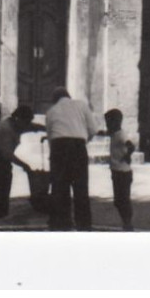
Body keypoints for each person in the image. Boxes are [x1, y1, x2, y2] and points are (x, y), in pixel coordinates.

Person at [44, 87, 101, 230]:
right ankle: (84, 225)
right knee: (81, 188)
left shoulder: (51, 111)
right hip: (78, 147)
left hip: (59, 147)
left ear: (54, 100)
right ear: (69, 96)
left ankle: (62, 224)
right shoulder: (82, 105)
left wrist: (54, 157)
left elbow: (51, 138)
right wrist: (83, 142)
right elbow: (94, 129)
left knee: (59, 188)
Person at [104, 108, 136, 231]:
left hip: (123, 172)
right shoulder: (114, 134)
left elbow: (130, 145)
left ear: (116, 122)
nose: (107, 125)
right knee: (118, 200)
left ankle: (127, 222)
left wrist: (127, 156)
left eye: (108, 122)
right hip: (117, 171)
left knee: (123, 199)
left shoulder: (121, 134)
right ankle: (126, 221)